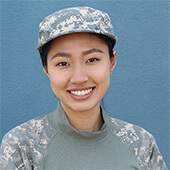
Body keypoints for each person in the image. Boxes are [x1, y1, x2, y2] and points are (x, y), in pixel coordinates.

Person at [0, 6, 167, 170]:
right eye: (63, 63)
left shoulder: (141, 144)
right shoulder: (22, 146)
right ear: (46, 69)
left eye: (92, 60)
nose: (79, 78)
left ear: (112, 62)